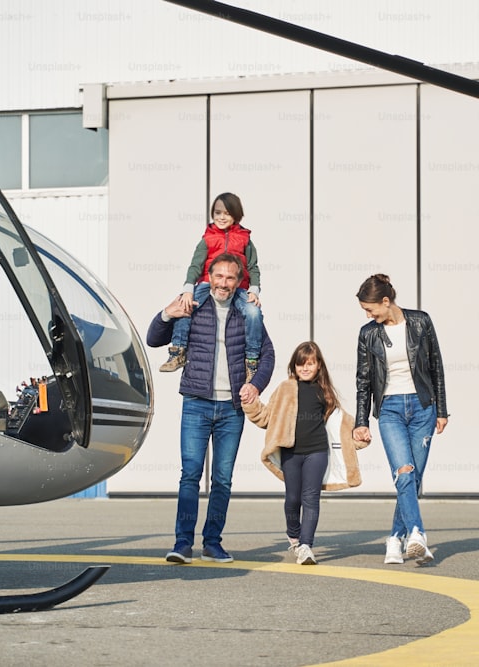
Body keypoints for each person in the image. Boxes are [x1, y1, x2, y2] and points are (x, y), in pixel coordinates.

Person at [146, 252, 275, 564]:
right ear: (209, 277)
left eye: (231, 278)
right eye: (219, 276)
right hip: (196, 403)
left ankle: (213, 543)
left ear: (238, 282)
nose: (224, 283)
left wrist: (254, 384)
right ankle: (182, 544)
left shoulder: (247, 312)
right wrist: (166, 313)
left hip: (231, 409)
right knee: (189, 474)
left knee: (223, 478)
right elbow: (153, 339)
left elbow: (268, 355)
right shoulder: (194, 304)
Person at [353, 274, 448, 565]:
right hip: (390, 410)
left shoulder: (421, 322)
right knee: (404, 472)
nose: (369, 315)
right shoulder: (368, 333)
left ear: (386, 301)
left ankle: (395, 538)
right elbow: (363, 380)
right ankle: (417, 534)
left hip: (423, 407)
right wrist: (361, 421)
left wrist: (442, 410)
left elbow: (436, 366)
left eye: (371, 309)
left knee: (412, 479)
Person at [243, 341, 367, 565]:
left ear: (319, 365)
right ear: (294, 366)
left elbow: (343, 425)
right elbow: (266, 417)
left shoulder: (325, 392)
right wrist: (250, 403)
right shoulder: (285, 389)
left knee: (311, 498)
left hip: (317, 452)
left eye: (311, 363)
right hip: (292, 452)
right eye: (301, 364)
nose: (306, 368)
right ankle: (294, 535)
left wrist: (360, 433)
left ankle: (306, 546)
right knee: (292, 499)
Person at [160, 192, 264, 382]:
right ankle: (178, 350)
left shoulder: (245, 239)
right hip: (208, 284)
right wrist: (188, 289)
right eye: (217, 213)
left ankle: (251, 361)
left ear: (236, 214)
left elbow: (253, 267)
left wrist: (254, 290)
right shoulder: (207, 239)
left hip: (237, 286)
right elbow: (195, 265)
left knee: (254, 314)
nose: (221, 217)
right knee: (185, 306)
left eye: (226, 213)